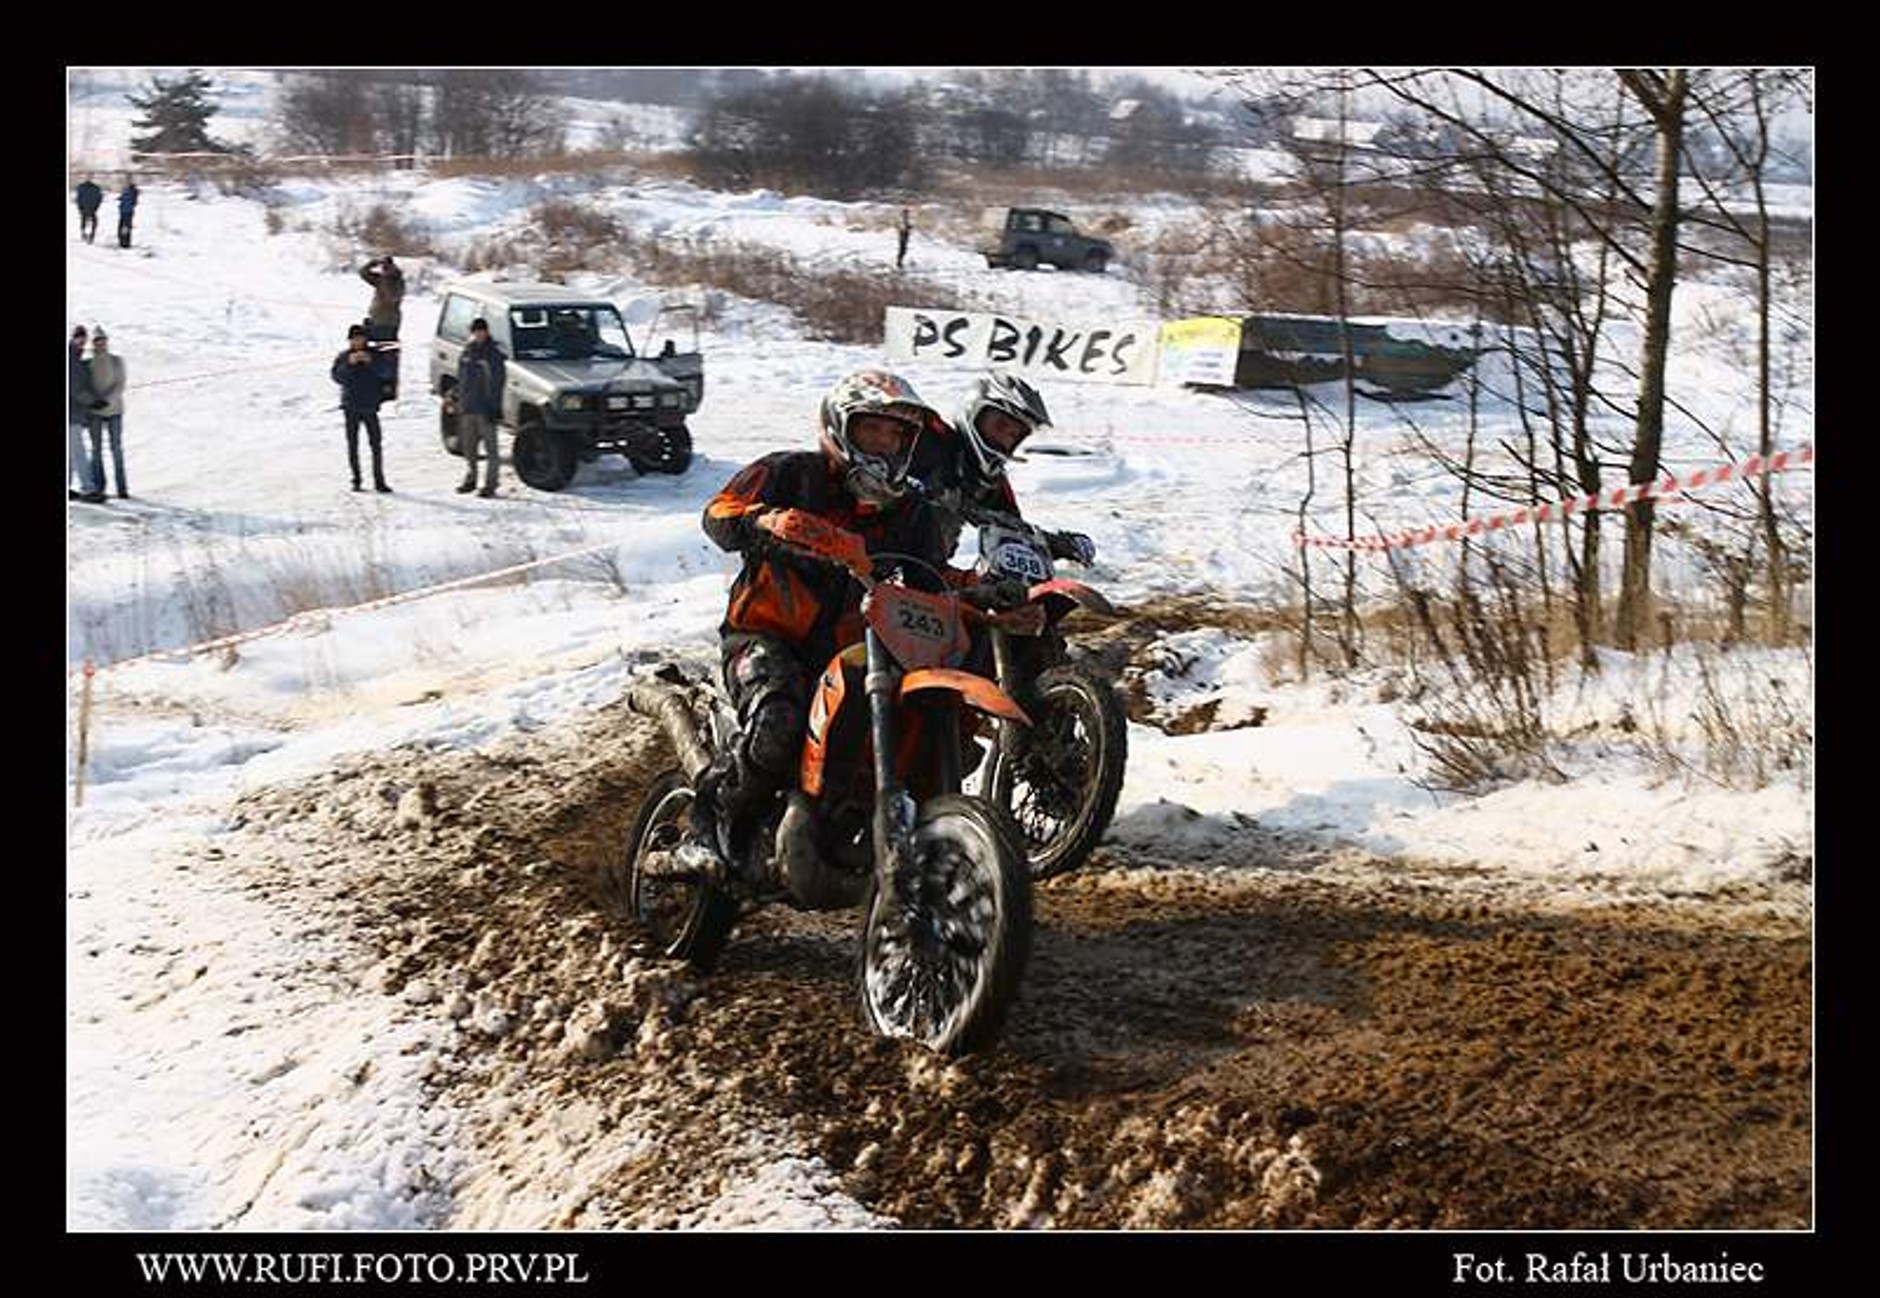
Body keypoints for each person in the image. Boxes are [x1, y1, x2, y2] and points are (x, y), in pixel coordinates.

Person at [691, 369, 964, 866]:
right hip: (763, 637)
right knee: (779, 717)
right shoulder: (790, 473)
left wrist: (990, 597)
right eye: (872, 429)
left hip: (851, 651)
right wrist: (764, 519)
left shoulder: (911, 511)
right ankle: (710, 822)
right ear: (842, 426)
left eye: (895, 434)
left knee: (911, 718)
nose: (884, 443)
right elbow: (717, 514)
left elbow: (934, 579)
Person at [913, 371, 1096, 564]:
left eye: (1014, 435)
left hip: (924, 573)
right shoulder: (929, 438)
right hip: (883, 557)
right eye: (1000, 426)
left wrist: (1059, 544)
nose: (1005, 438)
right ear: (973, 412)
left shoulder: (990, 479)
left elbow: (1012, 529)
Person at [332, 325, 392, 493]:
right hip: (350, 406)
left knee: (376, 444)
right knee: (353, 445)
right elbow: (337, 377)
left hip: (370, 405)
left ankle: (379, 480)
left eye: (360, 338)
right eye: (354, 339)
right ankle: (356, 479)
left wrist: (371, 362)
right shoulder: (344, 357)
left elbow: (387, 373)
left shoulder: (375, 355)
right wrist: (349, 365)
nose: (358, 342)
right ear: (350, 340)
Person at [455, 317, 505, 498]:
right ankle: (471, 479)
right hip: (468, 407)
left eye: (481, 331)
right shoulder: (467, 352)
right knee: (469, 448)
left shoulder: (494, 354)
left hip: (485, 409)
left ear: (486, 331)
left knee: (491, 450)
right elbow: (461, 378)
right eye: (475, 331)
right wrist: (456, 398)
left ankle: (491, 483)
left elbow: (498, 383)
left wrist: (495, 407)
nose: (478, 334)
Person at [84, 327, 129, 499]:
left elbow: (120, 384)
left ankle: (122, 488)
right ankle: (99, 486)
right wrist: (93, 401)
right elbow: (84, 386)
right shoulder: (87, 363)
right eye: (97, 340)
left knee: (116, 449)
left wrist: (107, 400)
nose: (100, 343)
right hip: (94, 412)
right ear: (93, 343)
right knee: (96, 450)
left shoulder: (117, 361)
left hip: (114, 411)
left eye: (102, 339)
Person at [68, 326, 102, 501]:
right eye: (78, 337)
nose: (81, 340)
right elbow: (74, 387)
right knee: (78, 450)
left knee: (72, 453)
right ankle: (88, 489)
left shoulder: (77, 357)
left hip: (75, 413)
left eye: (83, 338)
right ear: (73, 338)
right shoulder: (71, 358)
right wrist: (93, 401)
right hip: (70, 414)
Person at [360, 256, 405, 341]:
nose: (384, 269)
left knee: (382, 348)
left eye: (387, 267)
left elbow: (392, 298)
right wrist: (373, 263)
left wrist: (387, 278)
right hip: (375, 319)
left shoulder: (398, 282)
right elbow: (363, 273)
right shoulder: (381, 279)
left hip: (388, 322)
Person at [75, 178, 103, 244]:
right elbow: (99, 198)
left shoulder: (81, 188)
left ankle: (84, 232)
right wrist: (96, 207)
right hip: (92, 208)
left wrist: (80, 208)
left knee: (84, 220)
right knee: (93, 221)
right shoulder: (96, 188)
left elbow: (78, 199)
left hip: (85, 208)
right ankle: (91, 234)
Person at [116, 180, 139, 249]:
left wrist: (120, 198)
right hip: (129, 212)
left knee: (122, 227)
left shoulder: (128, 192)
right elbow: (134, 202)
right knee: (127, 227)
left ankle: (123, 242)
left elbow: (124, 198)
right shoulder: (134, 193)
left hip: (124, 212)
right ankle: (126, 242)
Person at [895, 207, 911, 271]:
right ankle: (899, 263)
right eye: (907, 212)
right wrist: (908, 227)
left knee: (903, 250)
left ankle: (899, 262)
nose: (908, 214)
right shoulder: (903, 219)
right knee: (902, 250)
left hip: (904, 236)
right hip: (903, 236)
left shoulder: (905, 219)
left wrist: (909, 227)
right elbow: (903, 228)